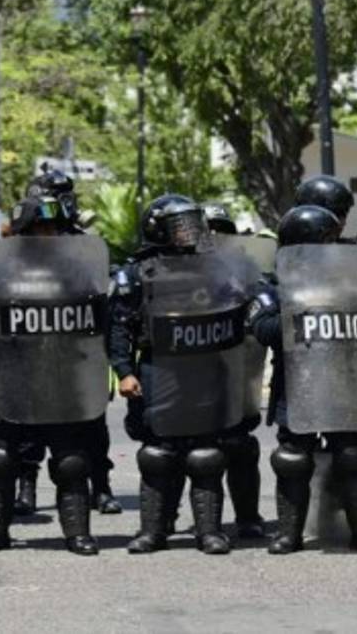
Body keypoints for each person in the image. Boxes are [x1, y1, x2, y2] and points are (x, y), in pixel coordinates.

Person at [0, 196, 107, 555]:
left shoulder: (77, 269)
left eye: (53, 228)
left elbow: (100, 319)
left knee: (71, 460)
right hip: (14, 375)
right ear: (24, 233)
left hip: (62, 376)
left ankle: (77, 534)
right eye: (40, 228)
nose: (48, 235)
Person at [249, 204, 357, 554]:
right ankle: (289, 534)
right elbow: (262, 329)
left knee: (353, 456)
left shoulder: (350, 278)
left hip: (346, 381)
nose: (329, 247)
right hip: (298, 385)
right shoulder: (274, 283)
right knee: (293, 459)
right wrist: (301, 309)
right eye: (321, 241)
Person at [113, 194, 244, 555]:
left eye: (192, 223)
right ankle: (152, 532)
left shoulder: (214, 267)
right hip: (160, 368)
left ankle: (210, 532)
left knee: (206, 455)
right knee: (159, 453)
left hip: (205, 369)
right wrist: (123, 371)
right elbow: (119, 327)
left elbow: (238, 308)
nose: (191, 232)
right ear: (158, 230)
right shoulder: (137, 273)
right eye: (180, 226)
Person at [16, 170, 121, 516]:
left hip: (77, 347)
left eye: (66, 194)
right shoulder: (21, 246)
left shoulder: (82, 242)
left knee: (91, 423)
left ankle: (101, 488)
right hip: (34, 344)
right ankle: (26, 487)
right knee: (29, 424)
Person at [202, 199, 267, 539]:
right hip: (195, 371)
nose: (214, 237)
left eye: (221, 231)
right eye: (208, 231)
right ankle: (173, 521)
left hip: (238, 365)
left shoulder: (246, 268)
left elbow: (265, 301)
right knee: (192, 452)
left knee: (240, 445)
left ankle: (248, 517)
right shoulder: (181, 268)